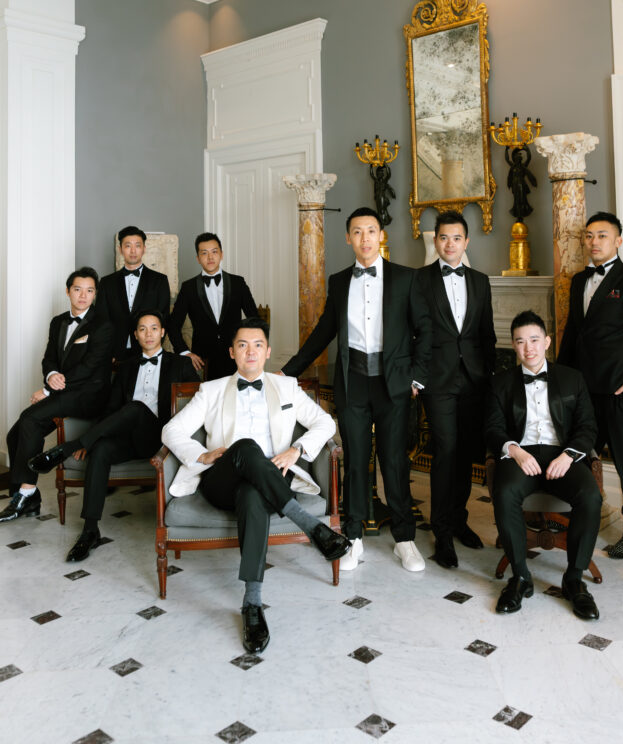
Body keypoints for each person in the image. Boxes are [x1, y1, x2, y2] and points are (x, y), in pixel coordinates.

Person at [162, 318, 349, 654]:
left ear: (268, 351)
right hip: (221, 480)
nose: (251, 351)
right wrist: (202, 454)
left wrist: (297, 450)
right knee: (246, 447)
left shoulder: (287, 387)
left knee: (252, 493)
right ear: (232, 352)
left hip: (270, 478)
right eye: (243, 345)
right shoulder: (211, 390)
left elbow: (324, 422)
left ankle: (252, 603)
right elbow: (171, 431)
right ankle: (311, 526)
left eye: (258, 345)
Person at [282, 207, 432, 573]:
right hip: (354, 383)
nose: (365, 238)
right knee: (355, 461)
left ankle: (405, 539)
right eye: (357, 232)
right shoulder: (338, 282)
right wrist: (287, 372)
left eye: (371, 231)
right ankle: (353, 536)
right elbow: (323, 332)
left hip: (393, 384)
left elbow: (426, 331)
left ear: (380, 235)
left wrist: (415, 378)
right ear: (348, 238)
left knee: (394, 461)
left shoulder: (406, 278)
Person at [28, 311, 194, 561]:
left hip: (160, 440)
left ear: (162, 332)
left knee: (136, 408)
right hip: (128, 438)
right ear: (135, 335)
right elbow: (110, 409)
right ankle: (90, 530)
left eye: (153, 328)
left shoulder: (181, 364)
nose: (148, 334)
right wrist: (93, 440)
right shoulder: (126, 368)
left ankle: (67, 447)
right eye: (142, 329)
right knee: (102, 450)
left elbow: (193, 407)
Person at [486, 310, 601, 620]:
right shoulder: (500, 382)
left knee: (590, 496)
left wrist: (569, 455)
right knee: (505, 492)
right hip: (521, 456)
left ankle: (574, 579)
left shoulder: (572, 378)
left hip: (561, 454)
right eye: (520, 342)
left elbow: (588, 426)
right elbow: (493, 428)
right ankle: (521, 577)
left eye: (534, 340)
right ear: (513, 345)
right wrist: (515, 451)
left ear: (547, 342)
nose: (529, 348)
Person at [558, 211, 623, 559]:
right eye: (589, 236)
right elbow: (573, 334)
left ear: (618, 240)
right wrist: (560, 381)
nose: (594, 241)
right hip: (584, 390)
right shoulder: (578, 281)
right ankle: (572, 518)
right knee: (577, 455)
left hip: (621, 390)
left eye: (602, 235)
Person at [0, 268, 113, 523]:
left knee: (29, 419)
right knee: (15, 434)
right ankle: (26, 498)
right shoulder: (58, 321)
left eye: (89, 291)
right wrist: (50, 374)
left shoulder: (103, 325)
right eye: (77, 289)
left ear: (95, 294)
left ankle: (25, 493)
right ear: (68, 291)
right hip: (65, 391)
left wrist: (48, 390)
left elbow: (88, 368)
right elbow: (49, 357)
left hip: (89, 395)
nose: (83, 296)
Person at [416, 209, 496, 567]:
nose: (450, 244)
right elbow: (412, 332)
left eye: (457, 238)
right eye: (444, 237)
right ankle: (442, 532)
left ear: (467, 241)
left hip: (474, 380)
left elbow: (487, 334)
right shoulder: (419, 280)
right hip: (437, 380)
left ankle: (460, 520)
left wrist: (490, 377)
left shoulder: (480, 280)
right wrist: (416, 376)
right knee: (446, 451)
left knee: (465, 453)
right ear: (436, 241)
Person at [168, 232, 258, 380]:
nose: (210, 257)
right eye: (204, 253)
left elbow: (255, 320)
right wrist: (185, 352)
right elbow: (173, 325)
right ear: (198, 258)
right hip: (202, 361)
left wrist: (250, 349)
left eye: (214, 252)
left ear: (221, 254)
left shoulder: (238, 283)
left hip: (236, 357)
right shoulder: (188, 287)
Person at [96, 226, 170, 360]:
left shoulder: (160, 280)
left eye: (137, 245)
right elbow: (102, 320)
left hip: (148, 350)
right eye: (128, 246)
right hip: (115, 353)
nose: (133, 251)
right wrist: (107, 352)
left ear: (144, 249)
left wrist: (153, 350)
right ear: (120, 249)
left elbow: (163, 318)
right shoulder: (106, 282)